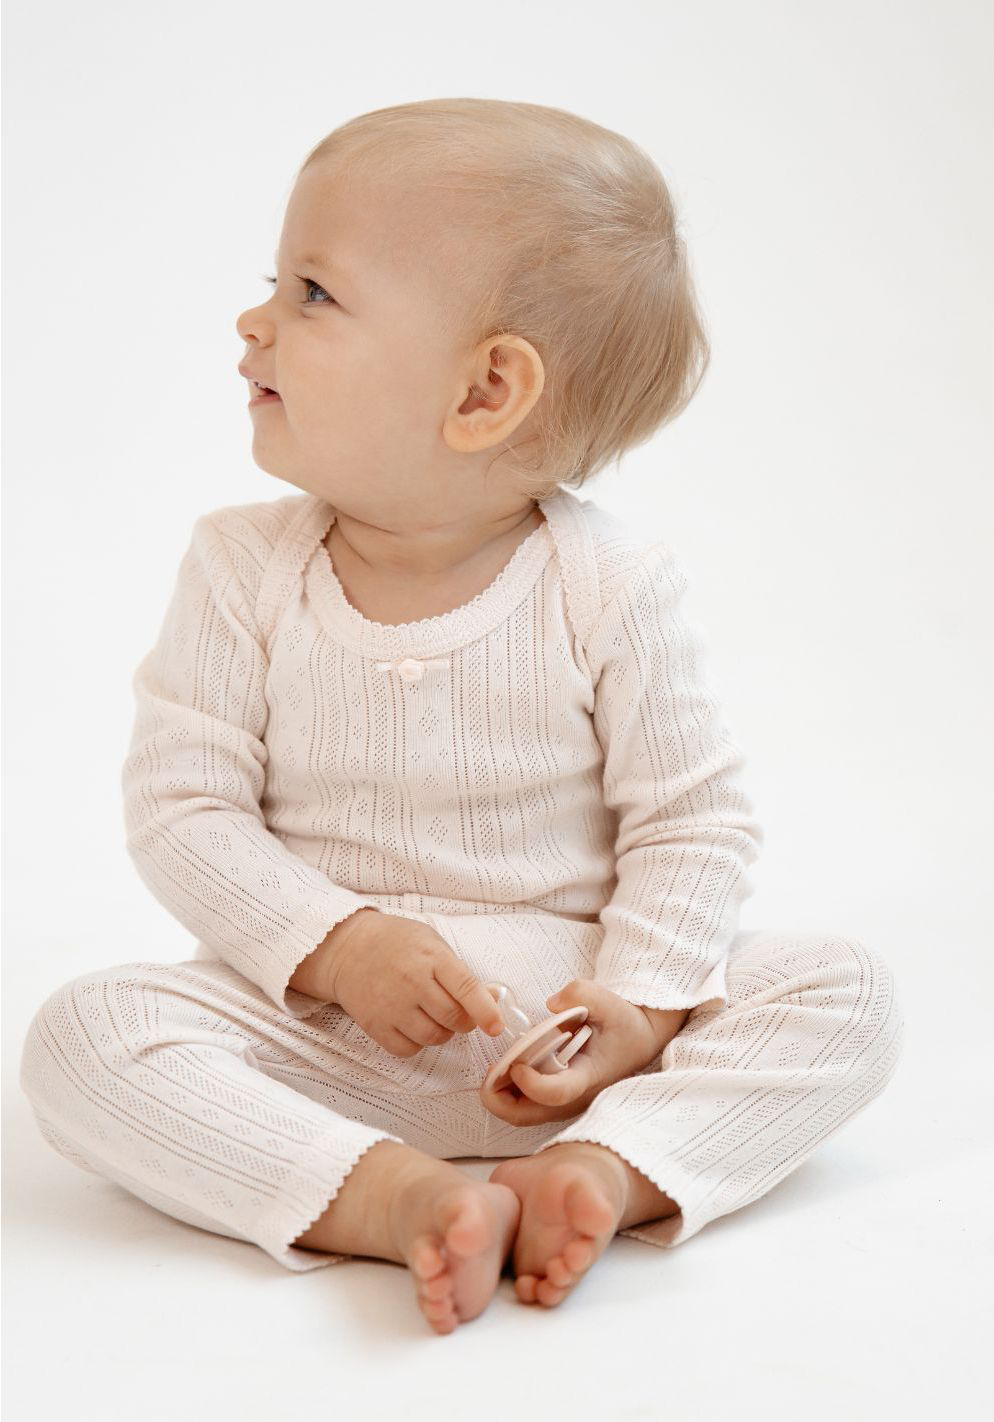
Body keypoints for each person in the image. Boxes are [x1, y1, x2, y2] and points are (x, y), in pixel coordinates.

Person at [18, 98, 905, 1336]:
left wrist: (639, 1005)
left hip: (569, 1035)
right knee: (86, 1033)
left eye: (313, 293)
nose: (254, 321)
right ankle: (392, 1196)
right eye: (274, 283)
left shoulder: (607, 584)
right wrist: (339, 946)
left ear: (485, 390)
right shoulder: (241, 569)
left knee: (843, 990)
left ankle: (603, 1169)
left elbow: (692, 823)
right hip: (329, 1034)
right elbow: (183, 812)